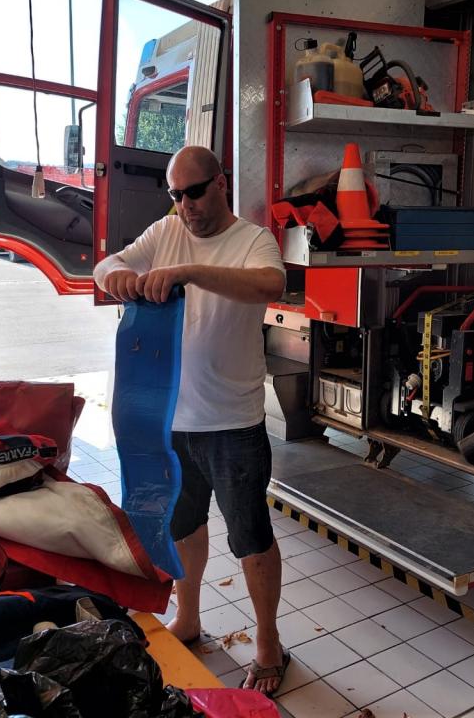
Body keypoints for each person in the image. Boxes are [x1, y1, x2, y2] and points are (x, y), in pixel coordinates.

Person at [94, 146, 289, 695]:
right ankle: (189, 616)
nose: (185, 206)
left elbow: (270, 286)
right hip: (172, 421)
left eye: (195, 193)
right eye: (176, 196)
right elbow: (106, 264)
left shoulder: (253, 240)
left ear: (220, 183)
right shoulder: (165, 230)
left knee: (250, 536)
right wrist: (118, 278)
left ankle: (268, 642)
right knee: (183, 526)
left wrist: (192, 272)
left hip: (233, 423)